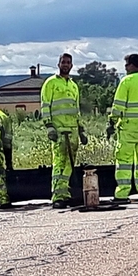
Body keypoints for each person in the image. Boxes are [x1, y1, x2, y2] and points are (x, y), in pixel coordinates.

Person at [40, 53, 87, 209]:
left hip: (72, 132)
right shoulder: (51, 83)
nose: (66, 65)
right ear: (58, 64)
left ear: (72, 65)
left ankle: (66, 193)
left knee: (69, 165)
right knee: (59, 163)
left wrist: (81, 130)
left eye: (68, 62)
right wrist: (49, 126)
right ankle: (58, 196)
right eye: (63, 62)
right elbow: (45, 106)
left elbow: (76, 109)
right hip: (59, 131)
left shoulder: (73, 86)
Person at [107, 53, 138, 203]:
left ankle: (122, 194)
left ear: (133, 65)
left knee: (124, 162)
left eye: (127, 64)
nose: (125, 67)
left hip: (129, 130)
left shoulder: (126, 81)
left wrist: (111, 123)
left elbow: (118, 106)